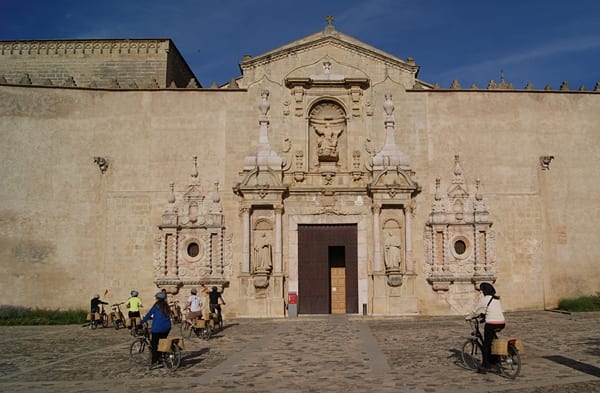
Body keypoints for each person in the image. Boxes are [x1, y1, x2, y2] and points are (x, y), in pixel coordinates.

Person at [466, 282, 506, 373]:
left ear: (484, 291)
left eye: (481, 290)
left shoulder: (484, 299)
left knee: (485, 345)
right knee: (492, 341)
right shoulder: (496, 299)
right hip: (501, 323)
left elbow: (474, 310)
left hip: (492, 324)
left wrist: (469, 317)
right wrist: (484, 315)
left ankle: (485, 365)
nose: (481, 292)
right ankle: (494, 361)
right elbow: (494, 310)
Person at [140, 291, 172, 369]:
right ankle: (162, 356)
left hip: (157, 328)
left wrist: (142, 321)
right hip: (167, 327)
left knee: (154, 344)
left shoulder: (156, 306)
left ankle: (155, 361)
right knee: (162, 341)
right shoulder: (167, 306)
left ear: (158, 299)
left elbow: (149, 314)